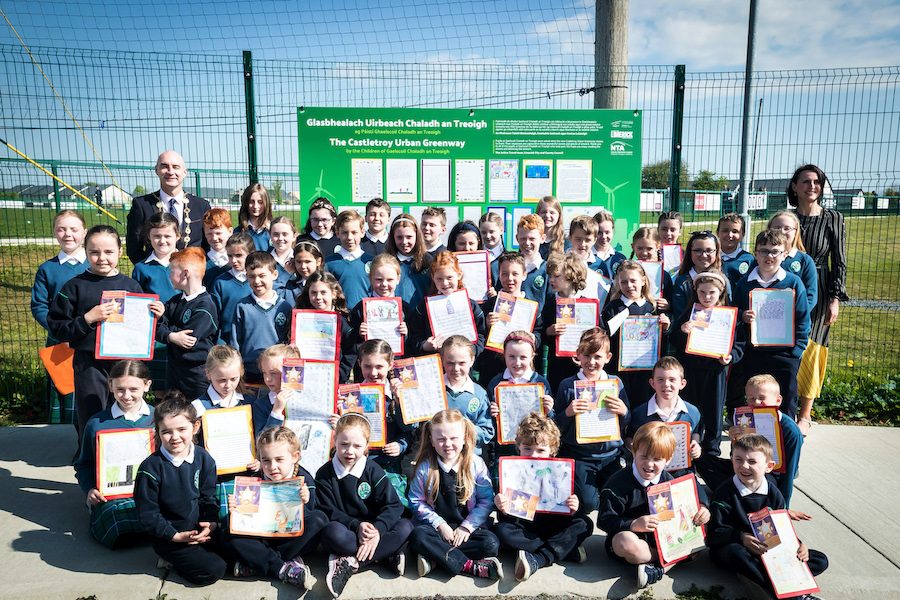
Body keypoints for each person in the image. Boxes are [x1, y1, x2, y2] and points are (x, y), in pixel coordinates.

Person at [48, 225, 158, 436]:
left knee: (127, 409)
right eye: (94, 252)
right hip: (90, 364)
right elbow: (58, 328)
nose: (101, 258)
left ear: (120, 252)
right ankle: (89, 456)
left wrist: (154, 314)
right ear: (85, 252)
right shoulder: (74, 287)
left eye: (108, 252)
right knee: (92, 412)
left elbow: (141, 328)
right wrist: (88, 318)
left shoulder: (132, 286)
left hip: (125, 363)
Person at [707, 433, 828, 600]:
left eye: (752, 462)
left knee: (820, 560)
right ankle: (791, 592)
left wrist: (799, 545)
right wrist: (741, 537)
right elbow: (714, 534)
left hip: (767, 550)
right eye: (738, 459)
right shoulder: (724, 493)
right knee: (737, 554)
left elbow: (782, 527)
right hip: (735, 547)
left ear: (769, 466)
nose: (744, 466)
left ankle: (777, 578)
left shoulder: (774, 493)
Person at [597, 421, 709, 589]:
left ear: (668, 459)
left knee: (700, 531)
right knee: (625, 542)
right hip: (633, 540)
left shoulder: (669, 481)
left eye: (657, 459)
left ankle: (657, 568)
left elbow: (687, 501)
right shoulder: (616, 484)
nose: (649, 464)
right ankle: (665, 562)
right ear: (634, 451)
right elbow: (604, 520)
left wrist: (702, 509)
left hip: (662, 539)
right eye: (644, 456)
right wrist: (633, 524)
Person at [133, 392, 228, 586]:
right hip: (171, 538)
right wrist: (174, 536)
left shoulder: (204, 458)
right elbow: (148, 514)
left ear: (195, 427)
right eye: (166, 431)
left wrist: (210, 523)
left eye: (181, 429)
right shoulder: (150, 469)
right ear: (157, 432)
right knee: (214, 569)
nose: (174, 437)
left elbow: (207, 498)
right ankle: (171, 562)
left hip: (199, 531)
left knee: (237, 546)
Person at [315, 413, 414, 598]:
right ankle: (383, 556)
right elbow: (327, 511)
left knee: (406, 526)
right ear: (334, 440)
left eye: (357, 446)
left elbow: (394, 506)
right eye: (343, 444)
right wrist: (356, 525)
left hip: (373, 532)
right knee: (331, 533)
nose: (350, 451)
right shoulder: (324, 474)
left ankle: (352, 563)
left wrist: (378, 530)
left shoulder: (373, 470)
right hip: (348, 531)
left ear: (367, 446)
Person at [225, 426, 328, 590]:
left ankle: (258, 563)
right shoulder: (253, 480)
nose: (272, 466)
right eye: (266, 460)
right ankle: (283, 567)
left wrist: (305, 502)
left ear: (295, 457)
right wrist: (235, 511)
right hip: (261, 537)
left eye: (279, 460)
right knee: (227, 530)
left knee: (319, 519)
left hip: (290, 540)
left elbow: (309, 518)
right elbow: (245, 520)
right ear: (259, 458)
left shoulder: (305, 479)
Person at [492, 412, 592, 580]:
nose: (534, 455)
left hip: (555, 524)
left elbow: (576, 507)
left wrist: (576, 506)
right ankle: (562, 549)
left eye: (541, 450)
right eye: (527, 449)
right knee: (500, 531)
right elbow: (506, 518)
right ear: (518, 447)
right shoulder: (511, 469)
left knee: (585, 524)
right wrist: (500, 504)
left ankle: (538, 558)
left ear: (552, 450)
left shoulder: (562, 471)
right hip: (525, 528)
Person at [408, 409, 503, 580]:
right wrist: (440, 525)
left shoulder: (476, 464)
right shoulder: (425, 468)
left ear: (465, 438)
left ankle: (436, 558)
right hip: (437, 530)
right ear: (432, 440)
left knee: (491, 543)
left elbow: (486, 500)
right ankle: (469, 566)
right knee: (417, 537)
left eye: (454, 438)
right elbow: (416, 501)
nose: (448, 444)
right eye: (441, 439)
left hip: (466, 531)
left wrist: (467, 526)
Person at [789, 165, 848, 436]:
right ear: (795, 186)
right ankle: (782, 407)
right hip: (786, 288)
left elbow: (840, 262)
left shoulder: (832, 218)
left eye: (817, 182)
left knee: (811, 349)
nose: (812, 186)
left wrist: (834, 298)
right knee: (786, 347)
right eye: (806, 182)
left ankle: (805, 414)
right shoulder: (787, 219)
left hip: (820, 291)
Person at [74, 360, 155, 548]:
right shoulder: (97, 423)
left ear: (147, 385)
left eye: (133, 389)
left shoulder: (158, 418)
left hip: (150, 492)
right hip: (113, 495)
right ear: (110, 386)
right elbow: (83, 464)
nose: (127, 396)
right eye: (120, 389)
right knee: (116, 521)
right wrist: (90, 490)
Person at [554, 327, 630, 514]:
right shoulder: (567, 385)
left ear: (608, 357)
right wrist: (569, 412)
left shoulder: (615, 384)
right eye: (587, 355)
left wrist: (624, 411)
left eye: (597, 356)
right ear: (578, 355)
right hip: (580, 456)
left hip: (610, 455)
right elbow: (556, 425)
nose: (591, 362)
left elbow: (627, 422)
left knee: (616, 498)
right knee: (586, 503)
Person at [735, 229, 810, 419]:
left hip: (785, 354)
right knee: (755, 397)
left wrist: (796, 351)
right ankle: (757, 436)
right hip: (754, 352)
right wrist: (743, 315)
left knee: (786, 396)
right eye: (764, 251)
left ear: (784, 255)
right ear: (755, 254)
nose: (769, 256)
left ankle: (784, 436)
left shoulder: (793, 283)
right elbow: (733, 312)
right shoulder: (744, 284)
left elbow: (802, 318)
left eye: (775, 251)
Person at [669, 270, 742, 464]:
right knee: (689, 411)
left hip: (715, 372)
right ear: (696, 291)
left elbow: (739, 344)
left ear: (721, 292)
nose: (707, 297)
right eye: (702, 292)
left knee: (714, 414)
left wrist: (731, 356)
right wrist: (683, 331)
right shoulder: (690, 313)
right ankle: (685, 451)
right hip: (690, 370)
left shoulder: (727, 316)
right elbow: (673, 339)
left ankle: (711, 454)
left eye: (712, 293)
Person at [31, 209, 87, 424]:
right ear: (54, 232)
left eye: (74, 229)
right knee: (65, 392)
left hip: (91, 338)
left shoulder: (96, 265)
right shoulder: (47, 269)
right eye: (61, 229)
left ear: (84, 232)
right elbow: (39, 305)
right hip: (60, 340)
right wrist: (59, 330)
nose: (68, 234)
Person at [726, 375, 807, 509]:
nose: (756, 402)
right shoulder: (746, 421)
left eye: (762, 398)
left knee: (757, 482)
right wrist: (734, 442)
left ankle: (750, 498)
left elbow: (789, 472)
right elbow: (737, 459)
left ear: (778, 400)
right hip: (745, 469)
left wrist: (783, 508)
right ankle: (736, 491)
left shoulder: (790, 430)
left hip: (772, 476)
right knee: (705, 461)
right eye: (751, 399)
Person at [602, 260, 671, 405]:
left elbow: (661, 343)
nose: (629, 286)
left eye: (633, 281)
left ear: (643, 281)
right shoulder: (612, 308)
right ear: (618, 284)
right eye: (624, 282)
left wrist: (665, 328)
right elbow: (606, 337)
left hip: (645, 371)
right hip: (618, 370)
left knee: (642, 407)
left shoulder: (652, 308)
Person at [156, 247, 219, 400]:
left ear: (185, 273)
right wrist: (168, 331)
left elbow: (187, 340)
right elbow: (156, 330)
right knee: (172, 412)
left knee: (197, 414)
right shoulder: (174, 302)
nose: (169, 276)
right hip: (173, 370)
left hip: (197, 374)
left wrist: (167, 330)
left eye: (172, 271)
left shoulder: (205, 306)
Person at [126, 151, 210, 264]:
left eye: (176, 167)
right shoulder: (142, 205)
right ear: (156, 170)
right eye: (165, 166)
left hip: (192, 274)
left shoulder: (201, 205)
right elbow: (134, 247)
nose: (170, 172)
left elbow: (208, 244)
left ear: (184, 172)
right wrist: (150, 273)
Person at [625, 357, 702, 480]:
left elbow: (696, 431)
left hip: (681, 473)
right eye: (660, 380)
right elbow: (629, 437)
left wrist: (695, 445)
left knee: (700, 499)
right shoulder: (640, 414)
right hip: (649, 473)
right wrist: (635, 447)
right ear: (652, 383)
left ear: (682, 384)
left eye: (672, 380)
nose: (666, 384)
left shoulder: (692, 412)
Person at [476, 251, 543, 386]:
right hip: (493, 366)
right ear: (499, 276)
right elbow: (479, 333)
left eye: (515, 274)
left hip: (520, 367)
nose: (509, 278)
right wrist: (486, 325)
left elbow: (539, 331)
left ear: (524, 275)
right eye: (504, 274)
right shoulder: (490, 304)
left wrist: (535, 339)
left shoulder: (532, 306)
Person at [407, 251, 486, 357]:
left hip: (464, 365)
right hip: (436, 364)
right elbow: (414, 336)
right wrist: (424, 346)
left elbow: (481, 334)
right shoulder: (424, 307)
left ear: (459, 275)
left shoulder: (470, 305)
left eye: (449, 277)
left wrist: (472, 351)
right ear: (432, 277)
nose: (445, 283)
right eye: (439, 279)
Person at [231, 251, 293, 384]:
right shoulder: (242, 306)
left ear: (274, 275)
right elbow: (235, 341)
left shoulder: (285, 307)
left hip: (277, 371)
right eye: (252, 276)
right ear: (246, 276)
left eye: (262, 275)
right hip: (249, 371)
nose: (257, 281)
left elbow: (289, 343)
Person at [296, 270, 357, 382]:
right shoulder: (300, 321)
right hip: (305, 378)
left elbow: (351, 352)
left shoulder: (343, 323)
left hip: (333, 380)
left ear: (334, 294)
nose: (318, 297)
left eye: (323, 292)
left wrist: (340, 374)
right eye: (313, 292)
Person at [541, 253, 589, 394]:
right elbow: (540, 332)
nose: (551, 280)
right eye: (550, 276)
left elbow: (597, 334)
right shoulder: (550, 304)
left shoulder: (587, 304)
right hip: (557, 366)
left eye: (556, 276)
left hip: (582, 364)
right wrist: (549, 331)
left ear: (571, 276)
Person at [439, 336, 494, 456]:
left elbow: (487, 432)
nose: (456, 368)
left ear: (472, 360)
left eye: (462, 363)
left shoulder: (479, 394)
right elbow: (420, 426)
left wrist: (462, 429)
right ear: (442, 360)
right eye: (450, 363)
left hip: (469, 459)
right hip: (437, 458)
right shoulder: (434, 389)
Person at [672, 230, 728, 319]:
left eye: (709, 250)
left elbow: (729, 309)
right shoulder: (682, 282)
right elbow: (679, 316)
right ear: (690, 252)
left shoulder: (723, 280)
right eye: (698, 250)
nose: (704, 255)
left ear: (716, 252)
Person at [768, 211, 818, 312]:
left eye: (787, 228)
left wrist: (796, 315)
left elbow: (810, 297)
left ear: (796, 232)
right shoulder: (761, 258)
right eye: (777, 228)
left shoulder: (805, 261)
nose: (782, 232)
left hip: (793, 320)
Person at [210, 232, 255, 345]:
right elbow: (214, 317)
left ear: (251, 254)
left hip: (252, 339)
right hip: (227, 341)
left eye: (238, 255)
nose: (233, 260)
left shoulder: (258, 281)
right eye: (230, 256)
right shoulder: (220, 282)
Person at [325, 209, 375, 309]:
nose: (349, 237)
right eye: (344, 232)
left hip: (366, 317)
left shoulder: (372, 262)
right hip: (339, 317)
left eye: (354, 232)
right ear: (337, 233)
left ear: (362, 232)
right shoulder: (328, 263)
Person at [251, 344, 301, 436]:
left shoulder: (304, 398)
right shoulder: (261, 405)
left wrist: (333, 424)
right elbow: (261, 440)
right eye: (264, 372)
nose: (267, 379)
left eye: (274, 373)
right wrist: (276, 411)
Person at [385, 213, 433, 307]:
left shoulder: (427, 260)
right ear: (393, 237)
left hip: (421, 316)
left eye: (409, 237)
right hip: (395, 315)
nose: (404, 242)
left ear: (416, 237)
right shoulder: (387, 262)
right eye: (399, 237)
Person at [131, 212, 180, 303]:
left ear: (177, 236)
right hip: (154, 316)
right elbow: (137, 301)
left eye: (167, 236)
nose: (162, 241)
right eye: (157, 236)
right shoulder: (141, 268)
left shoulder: (188, 264)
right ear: (149, 236)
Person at [192, 345, 248, 418]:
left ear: (241, 373)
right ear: (208, 374)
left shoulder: (248, 401)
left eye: (233, 379)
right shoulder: (198, 407)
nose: (228, 385)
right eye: (222, 380)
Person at [235, 183, 273, 251]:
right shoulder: (237, 232)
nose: (255, 206)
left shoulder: (273, 231)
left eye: (260, 202)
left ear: (266, 203)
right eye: (251, 201)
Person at [718, 213, 753, 286]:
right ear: (717, 233)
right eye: (725, 231)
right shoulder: (711, 257)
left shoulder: (749, 259)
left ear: (743, 235)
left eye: (735, 231)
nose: (730, 235)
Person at [201, 208, 233, 289]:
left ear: (230, 232)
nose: (214, 238)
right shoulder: (201, 263)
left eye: (218, 233)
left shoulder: (237, 261)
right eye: (209, 234)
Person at [593, 209, 626, 279]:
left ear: (613, 231)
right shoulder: (587, 258)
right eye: (599, 233)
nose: (604, 237)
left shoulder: (620, 258)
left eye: (607, 232)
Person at [269, 216, 298, 291]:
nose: (280, 238)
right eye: (275, 234)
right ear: (270, 236)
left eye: (285, 234)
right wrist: (286, 274)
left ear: (294, 236)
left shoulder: (300, 259)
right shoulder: (264, 260)